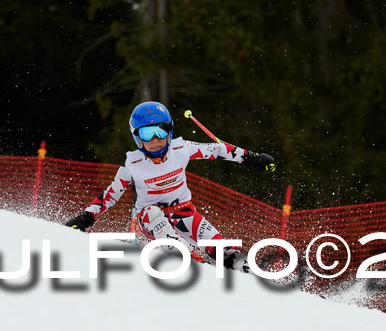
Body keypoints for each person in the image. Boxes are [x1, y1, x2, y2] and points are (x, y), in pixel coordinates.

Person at [65, 101, 276, 272]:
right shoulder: (132, 164)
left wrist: (252, 158)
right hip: (148, 220)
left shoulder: (181, 149)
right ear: (137, 137)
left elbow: (218, 149)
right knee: (154, 212)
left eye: (160, 131)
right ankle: (188, 259)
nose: (155, 140)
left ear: (169, 131)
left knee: (219, 245)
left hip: (183, 212)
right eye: (147, 134)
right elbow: (109, 196)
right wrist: (85, 218)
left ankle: (245, 271)